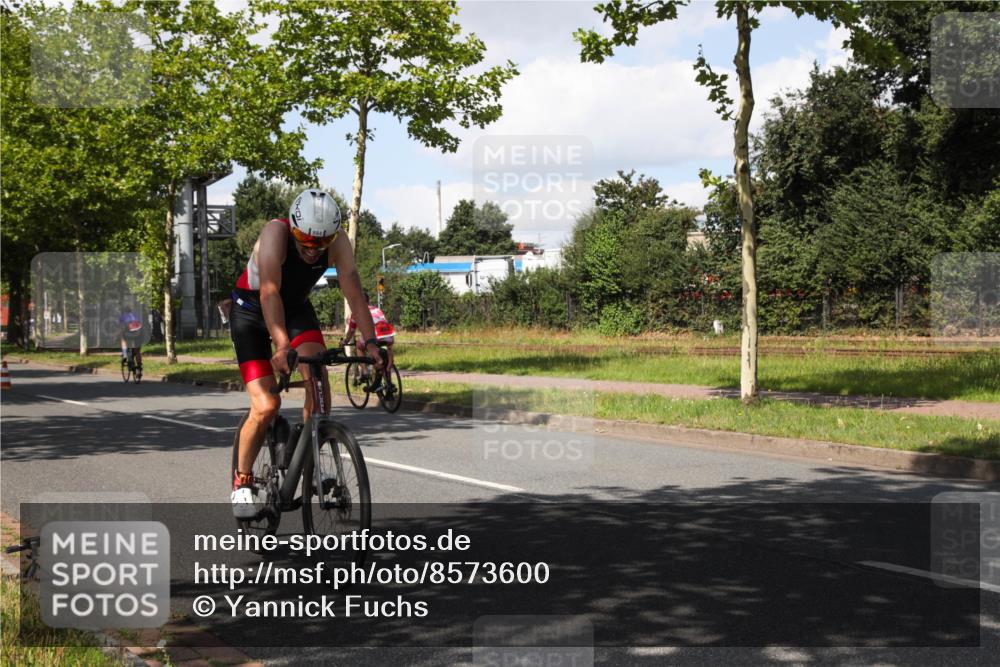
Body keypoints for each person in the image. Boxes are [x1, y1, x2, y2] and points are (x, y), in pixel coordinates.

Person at [229, 188, 383, 518]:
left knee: (317, 379)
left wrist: (370, 342)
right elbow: (270, 293)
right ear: (294, 228)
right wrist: (282, 346)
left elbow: (354, 291)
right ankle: (242, 482)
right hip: (252, 312)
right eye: (305, 242)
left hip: (295, 309)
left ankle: (313, 456)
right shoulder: (275, 233)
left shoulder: (338, 240)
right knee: (267, 404)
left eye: (320, 244)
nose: (312, 251)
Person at [340, 292, 395, 385]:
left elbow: (351, 331)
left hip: (375, 335)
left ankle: (365, 371)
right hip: (389, 335)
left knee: (359, 347)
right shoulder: (377, 309)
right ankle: (389, 384)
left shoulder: (356, 313)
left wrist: (345, 341)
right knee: (384, 358)